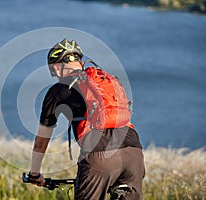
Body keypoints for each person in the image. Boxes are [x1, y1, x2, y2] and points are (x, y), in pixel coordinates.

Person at [28, 38, 145, 200]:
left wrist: (34, 174)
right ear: (80, 62)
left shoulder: (58, 89)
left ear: (56, 67)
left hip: (100, 154)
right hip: (134, 152)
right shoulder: (105, 80)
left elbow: (42, 138)